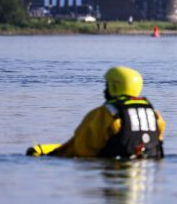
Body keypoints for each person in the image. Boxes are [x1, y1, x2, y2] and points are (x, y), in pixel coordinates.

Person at [28, 66, 165, 159]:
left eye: (106, 86)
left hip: (112, 166)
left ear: (114, 86)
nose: (104, 90)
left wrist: (46, 154)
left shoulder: (105, 114)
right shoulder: (155, 115)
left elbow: (81, 150)